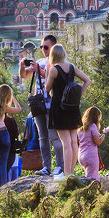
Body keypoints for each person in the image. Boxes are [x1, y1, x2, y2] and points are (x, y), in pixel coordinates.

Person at [43, 43, 91, 180]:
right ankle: (71, 172)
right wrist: (78, 95)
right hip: (73, 107)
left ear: (52, 55)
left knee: (65, 142)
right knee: (73, 141)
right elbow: (87, 80)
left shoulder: (53, 70)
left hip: (59, 108)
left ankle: (67, 173)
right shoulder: (71, 67)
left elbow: (47, 88)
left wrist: (47, 72)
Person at [19, 36, 63, 176]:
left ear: (53, 47)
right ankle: (46, 167)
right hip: (38, 104)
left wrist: (39, 70)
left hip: (51, 104)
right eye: (41, 47)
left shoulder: (59, 64)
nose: (43, 50)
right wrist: (22, 67)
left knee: (54, 136)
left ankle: (60, 166)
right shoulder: (39, 62)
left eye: (46, 47)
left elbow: (55, 80)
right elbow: (24, 76)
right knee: (42, 137)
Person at [77, 107, 109, 180]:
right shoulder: (92, 126)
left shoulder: (80, 127)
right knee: (93, 180)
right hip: (90, 155)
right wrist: (104, 133)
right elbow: (98, 142)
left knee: (88, 177)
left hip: (81, 155)